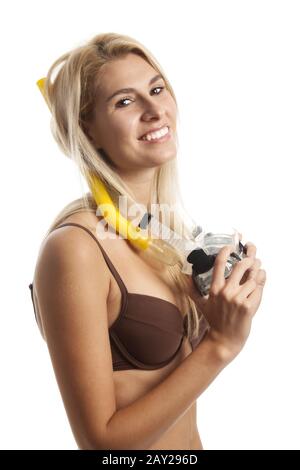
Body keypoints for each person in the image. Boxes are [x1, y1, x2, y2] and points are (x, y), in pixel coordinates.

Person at [28, 32, 267, 450]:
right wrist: (220, 345)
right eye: (125, 101)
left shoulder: (164, 236)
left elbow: (168, 396)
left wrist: (222, 313)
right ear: (87, 128)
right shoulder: (76, 248)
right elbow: (101, 443)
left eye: (157, 90)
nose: (155, 111)